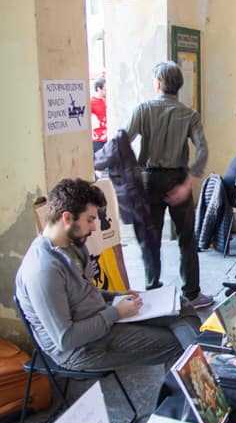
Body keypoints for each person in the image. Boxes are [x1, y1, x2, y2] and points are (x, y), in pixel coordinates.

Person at [15, 178, 200, 371]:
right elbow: (66, 339)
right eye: (89, 220)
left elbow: (84, 292)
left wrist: (117, 296)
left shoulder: (71, 245)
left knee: (182, 306)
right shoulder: (43, 270)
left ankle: (207, 370)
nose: (94, 227)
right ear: (67, 218)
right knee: (176, 344)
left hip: (99, 318)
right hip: (81, 349)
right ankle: (204, 377)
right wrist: (116, 312)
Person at [125, 61, 212, 308]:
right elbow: (202, 151)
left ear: (158, 84)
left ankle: (152, 291)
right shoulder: (190, 115)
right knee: (187, 238)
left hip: (148, 180)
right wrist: (187, 185)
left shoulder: (143, 109)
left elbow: (122, 142)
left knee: (151, 239)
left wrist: (132, 174)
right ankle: (192, 294)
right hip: (178, 179)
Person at [93, 129, 160, 290]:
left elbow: (96, 162)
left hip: (132, 198)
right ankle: (152, 281)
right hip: (136, 197)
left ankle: (152, 280)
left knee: (147, 241)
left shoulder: (116, 142)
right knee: (148, 241)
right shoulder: (120, 142)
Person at [90, 77, 107, 153]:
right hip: (98, 138)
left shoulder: (107, 100)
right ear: (99, 89)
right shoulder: (92, 102)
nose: (106, 91)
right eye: (105, 89)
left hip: (108, 136)